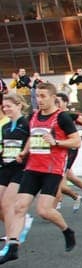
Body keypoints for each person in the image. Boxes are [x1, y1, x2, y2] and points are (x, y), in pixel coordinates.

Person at [0, 83, 80, 264]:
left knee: (44, 211)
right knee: (19, 207)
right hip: (32, 168)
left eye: (43, 96)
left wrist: (56, 142)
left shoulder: (62, 118)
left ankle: (67, 231)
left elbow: (76, 142)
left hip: (52, 170)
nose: (40, 100)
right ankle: (12, 247)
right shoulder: (34, 116)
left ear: (53, 98)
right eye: (37, 96)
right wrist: (24, 151)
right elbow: (31, 136)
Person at [0, 94, 30, 254]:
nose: (5, 109)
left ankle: (11, 241)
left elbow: (33, 143)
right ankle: (18, 226)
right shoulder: (5, 126)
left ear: (19, 105)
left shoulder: (26, 124)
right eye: (4, 106)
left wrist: (24, 153)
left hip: (20, 168)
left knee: (7, 203)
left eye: (9, 106)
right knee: (1, 204)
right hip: (5, 167)